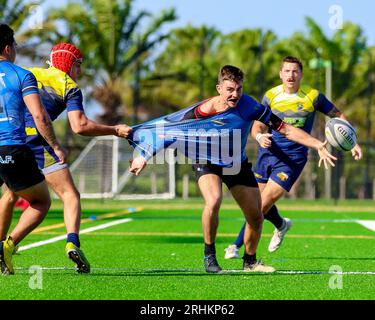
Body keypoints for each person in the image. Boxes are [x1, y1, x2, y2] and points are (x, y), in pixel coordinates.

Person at [128, 65, 337, 273]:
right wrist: (144, 156)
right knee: (214, 200)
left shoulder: (251, 106)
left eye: (238, 89)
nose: (235, 94)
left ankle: (250, 262)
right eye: (229, 89)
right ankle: (210, 257)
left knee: (255, 215)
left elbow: (286, 129)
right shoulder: (203, 111)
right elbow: (169, 130)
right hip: (206, 160)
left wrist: (317, 143)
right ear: (219, 88)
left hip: (235, 163)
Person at [0, 42, 132, 273]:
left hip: (15, 140)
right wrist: (114, 130)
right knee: (69, 195)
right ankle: (71, 241)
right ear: (70, 64)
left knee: (10, 193)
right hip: (41, 145)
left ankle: (1, 247)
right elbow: (79, 126)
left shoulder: (29, 73)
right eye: (78, 66)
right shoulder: (69, 86)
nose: (79, 72)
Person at [224, 56, 362, 260]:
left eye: (295, 71)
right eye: (287, 71)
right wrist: (260, 136)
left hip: (293, 158)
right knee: (255, 204)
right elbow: (258, 125)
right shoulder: (271, 96)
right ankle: (281, 224)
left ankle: (235, 247)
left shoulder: (313, 97)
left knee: (261, 205)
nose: (291, 75)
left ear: (301, 74)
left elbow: (338, 116)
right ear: (280, 74)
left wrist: (353, 142)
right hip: (267, 153)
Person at [0, 24, 67, 275]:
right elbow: (40, 116)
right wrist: (56, 146)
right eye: (15, 46)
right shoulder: (22, 75)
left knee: (8, 196)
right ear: (8, 48)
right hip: (12, 149)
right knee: (40, 201)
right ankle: (8, 245)